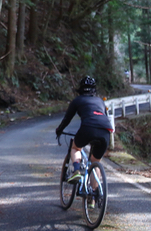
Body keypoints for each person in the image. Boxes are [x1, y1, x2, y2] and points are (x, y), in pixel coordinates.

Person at [55, 76, 113, 207]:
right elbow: (104, 116)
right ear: (94, 90)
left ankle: (76, 170)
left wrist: (59, 130)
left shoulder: (77, 100)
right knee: (95, 161)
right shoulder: (99, 101)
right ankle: (93, 196)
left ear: (80, 89)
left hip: (88, 128)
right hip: (105, 131)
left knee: (76, 148)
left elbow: (67, 119)